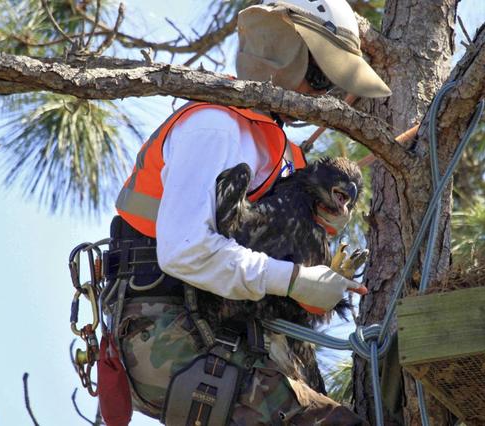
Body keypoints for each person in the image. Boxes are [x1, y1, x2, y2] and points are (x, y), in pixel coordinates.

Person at [104, 1, 391, 424]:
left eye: (331, 85)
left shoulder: (277, 150)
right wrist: (293, 280)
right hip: (168, 326)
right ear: (284, 54)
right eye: (319, 77)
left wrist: (314, 268)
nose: (322, 96)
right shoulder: (217, 127)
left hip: (232, 327)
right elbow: (185, 251)